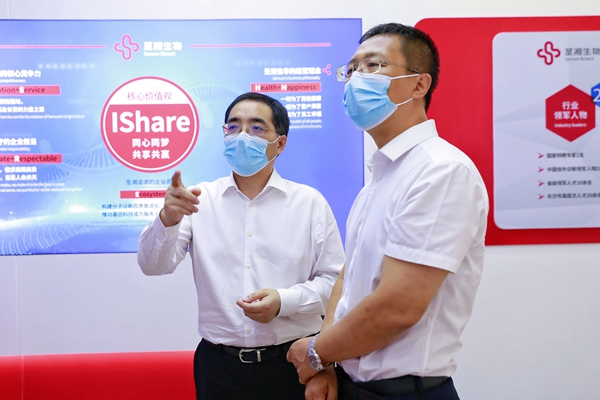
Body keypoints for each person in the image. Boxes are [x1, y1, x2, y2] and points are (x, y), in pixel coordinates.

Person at [287, 22, 489, 400]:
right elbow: (349, 279)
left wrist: (316, 351)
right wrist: (325, 362)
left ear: (419, 85)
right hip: (354, 384)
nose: (355, 79)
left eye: (373, 65)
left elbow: (398, 307)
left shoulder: (440, 171)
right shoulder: (381, 176)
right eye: (351, 69)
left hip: (405, 392)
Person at [137, 92, 345, 400]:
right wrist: (167, 218)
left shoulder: (309, 203)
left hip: (292, 363)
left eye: (256, 128)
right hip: (218, 367)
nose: (242, 136)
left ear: (280, 143)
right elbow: (153, 265)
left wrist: (284, 301)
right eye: (233, 127)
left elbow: (335, 283)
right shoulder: (199, 200)